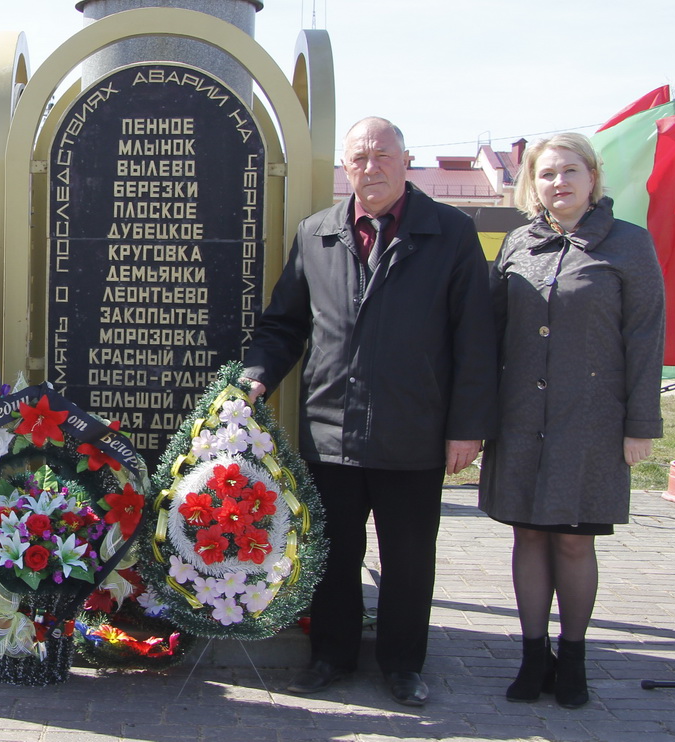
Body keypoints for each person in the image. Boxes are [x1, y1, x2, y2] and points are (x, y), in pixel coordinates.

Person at [241, 117, 499, 706]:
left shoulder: (452, 233)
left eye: (383, 155)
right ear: (346, 168)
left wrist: (467, 427)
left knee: (409, 560)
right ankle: (332, 656)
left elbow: (475, 340)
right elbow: (285, 324)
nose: (371, 167)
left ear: (406, 161)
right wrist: (257, 376)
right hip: (331, 429)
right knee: (334, 555)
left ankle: (403, 664)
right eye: (359, 158)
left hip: (415, 430)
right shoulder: (317, 234)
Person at [479, 133, 664, 709]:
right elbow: (492, 334)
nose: (558, 182)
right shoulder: (517, 245)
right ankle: (534, 658)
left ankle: (575, 657)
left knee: (574, 543)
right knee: (528, 535)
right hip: (519, 420)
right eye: (546, 173)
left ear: (592, 178)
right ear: (531, 184)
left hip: (591, 423)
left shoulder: (629, 245)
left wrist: (641, 424)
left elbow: (644, 338)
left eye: (570, 171)